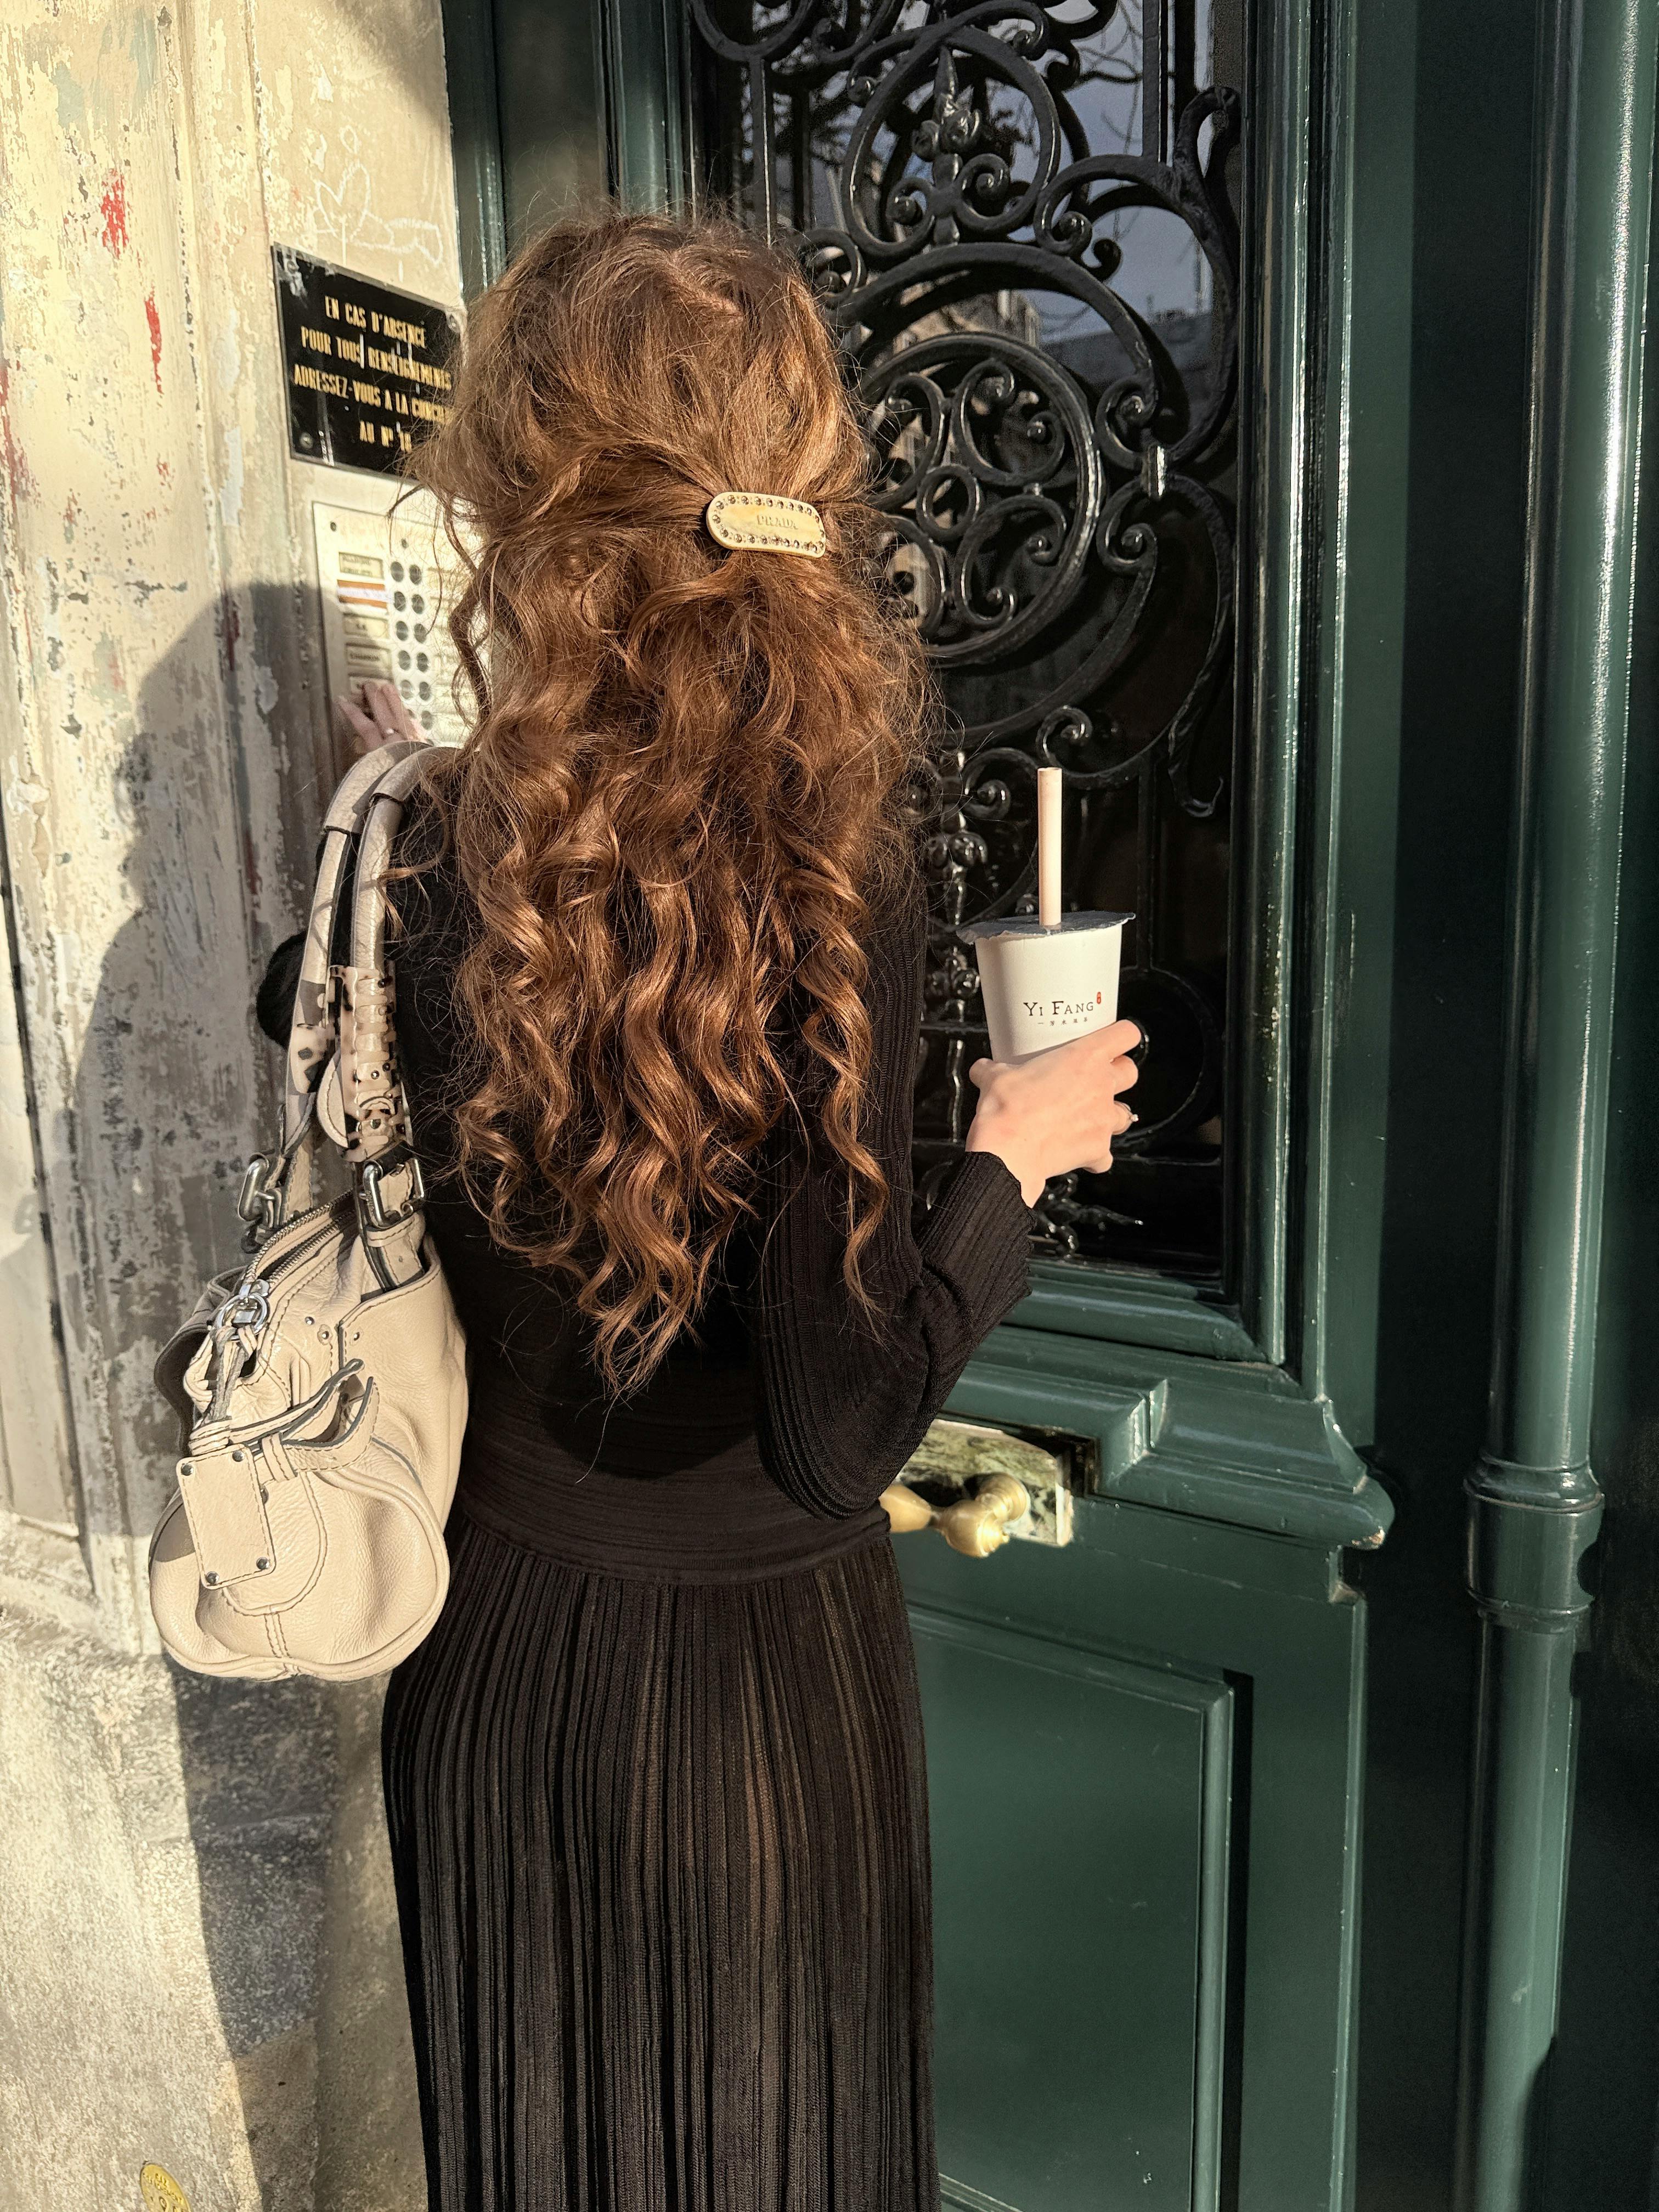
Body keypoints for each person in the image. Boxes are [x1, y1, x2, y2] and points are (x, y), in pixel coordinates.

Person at [262, 213, 1141, 2212]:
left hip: (496, 1668)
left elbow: (308, 1036)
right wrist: (1009, 1159)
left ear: (522, 504)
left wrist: (398, 814)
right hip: (750, 1720)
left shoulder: (429, 845)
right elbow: (843, 1430)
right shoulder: (832, 878)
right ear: (799, 486)